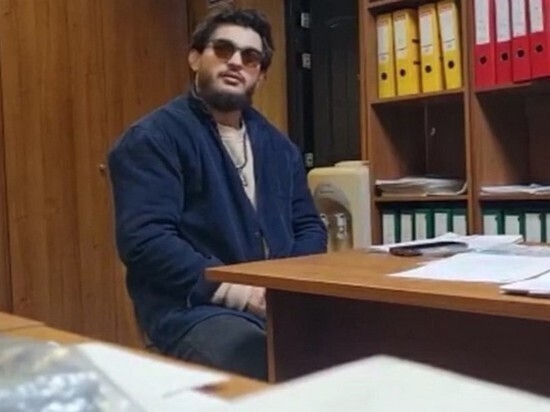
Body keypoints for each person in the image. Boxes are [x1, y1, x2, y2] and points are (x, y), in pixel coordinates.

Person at [107, 6, 327, 381]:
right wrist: (242, 293)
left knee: (361, 343)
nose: (236, 62)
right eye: (223, 49)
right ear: (195, 58)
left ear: (261, 75)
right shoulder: (153, 138)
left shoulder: (280, 148)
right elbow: (145, 240)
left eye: (250, 57)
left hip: (276, 304)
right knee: (263, 362)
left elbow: (308, 226)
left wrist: (286, 289)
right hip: (192, 309)